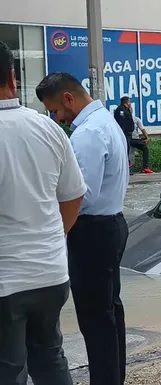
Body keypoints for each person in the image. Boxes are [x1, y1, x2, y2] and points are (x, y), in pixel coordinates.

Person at [0, 42, 85, 385]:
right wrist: (51, 238)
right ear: (12, 77)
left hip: (5, 282)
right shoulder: (49, 129)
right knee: (50, 358)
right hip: (50, 274)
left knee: (8, 369)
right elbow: (73, 196)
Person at [36, 73, 129, 385]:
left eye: (55, 111)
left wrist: (56, 228)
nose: (57, 118)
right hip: (110, 225)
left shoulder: (88, 133)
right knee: (109, 312)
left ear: (67, 98)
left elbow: (80, 196)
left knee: (95, 319)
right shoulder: (106, 122)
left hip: (92, 231)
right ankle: (114, 378)